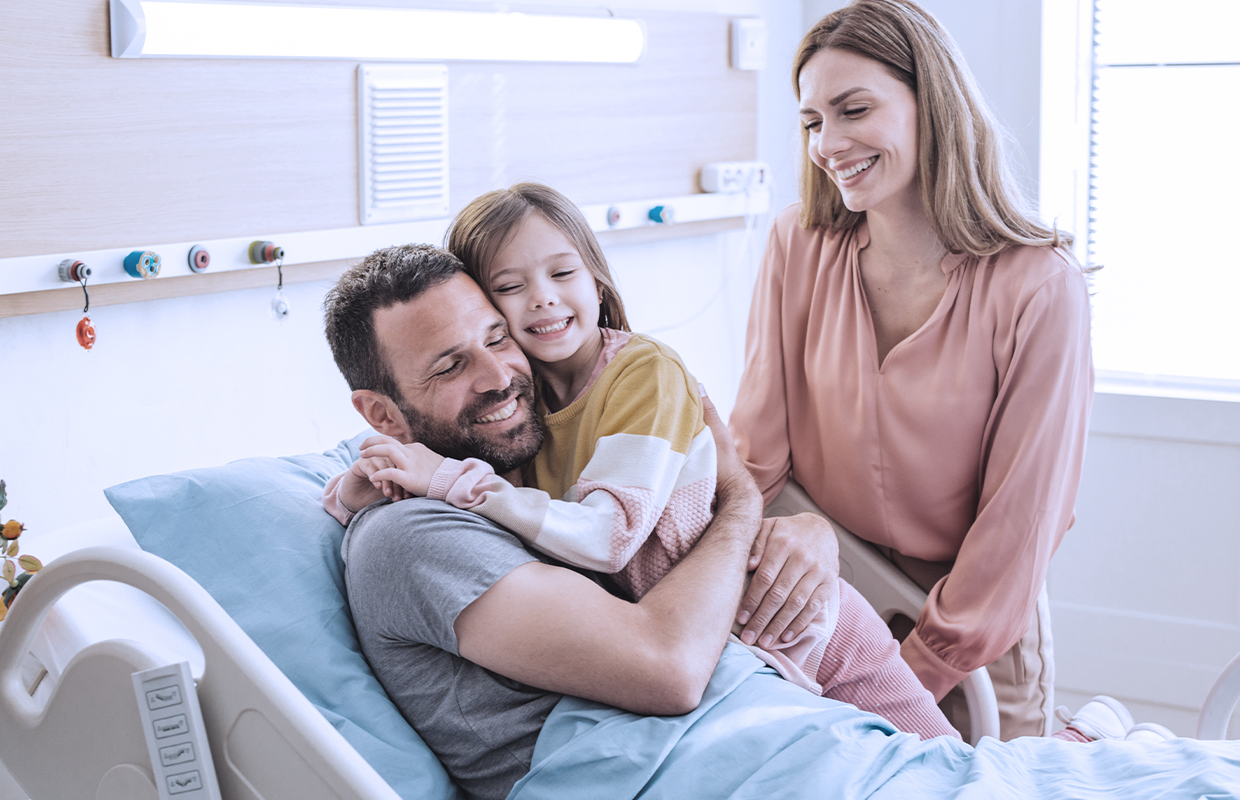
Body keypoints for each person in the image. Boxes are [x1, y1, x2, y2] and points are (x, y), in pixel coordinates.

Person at [320, 245, 1233, 800]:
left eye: (495, 336)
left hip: (804, 732)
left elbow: (645, 554)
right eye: (448, 366)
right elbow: (668, 667)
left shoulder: (537, 464)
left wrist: (795, 530)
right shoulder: (411, 538)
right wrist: (747, 506)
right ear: (381, 415)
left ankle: (1082, 751)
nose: (497, 373)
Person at [323, 183, 956, 739]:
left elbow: (607, 536)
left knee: (956, 773)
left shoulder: (641, 375)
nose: (541, 303)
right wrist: (358, 494)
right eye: (510, 289)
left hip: (808, 628)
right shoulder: (525, 409)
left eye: (561, 275)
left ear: (596, 278)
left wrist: (747, 500)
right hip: (741, 649)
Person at [728, 0, 1093, 740]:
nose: (828, 143)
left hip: (975, 638)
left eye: (853, 109)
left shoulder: (1039, 286)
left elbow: (1018, 526)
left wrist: (907, 672)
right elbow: (755, 458)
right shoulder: (797, 247)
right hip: (823, 608)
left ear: (933, 103)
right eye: (811, 122)